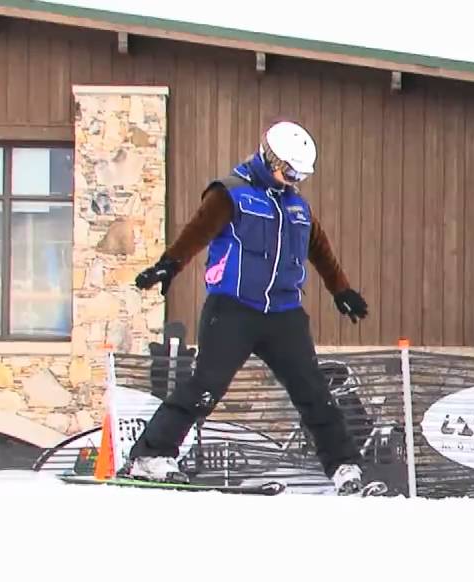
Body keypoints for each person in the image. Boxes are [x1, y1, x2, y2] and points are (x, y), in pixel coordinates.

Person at [126, 120, 377, 496]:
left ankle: (343, 465)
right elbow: (197, 232)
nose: (294, 180)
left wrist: (341, 290)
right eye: (290, 171)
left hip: (284, 314)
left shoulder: (297, 207)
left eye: (301, 175)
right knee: (206, 386)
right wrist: (170, 264)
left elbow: (319, 250)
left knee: (313, 390)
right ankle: (151, 455)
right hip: (233, 309)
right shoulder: (231, 193)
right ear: (270, 156)